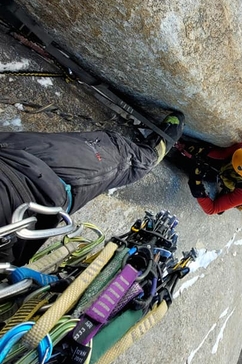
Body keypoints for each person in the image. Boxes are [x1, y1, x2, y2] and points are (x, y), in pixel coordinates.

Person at [0, 112, 184, 264]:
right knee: (121, 155)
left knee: (116, 151)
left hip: (31, 180)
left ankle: (148, 153)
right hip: (38, 182)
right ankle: (152, 151)